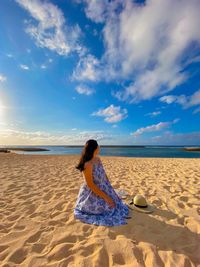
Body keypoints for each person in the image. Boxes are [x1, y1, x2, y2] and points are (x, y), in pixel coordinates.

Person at [74, 139, 130, 226]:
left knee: (116, 204)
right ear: (94, 148)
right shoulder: (87, 164)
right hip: (93, 191)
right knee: (108, 208)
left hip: (104, 186)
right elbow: (90, 185)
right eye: (98, 146)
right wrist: (106, 197)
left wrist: (109, 187)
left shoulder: (97, 159)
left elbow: (103, 173)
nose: (99, 147)